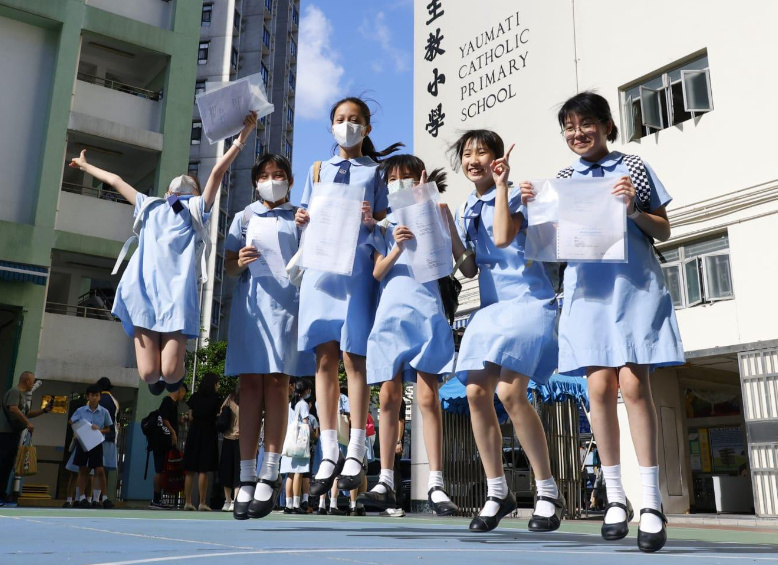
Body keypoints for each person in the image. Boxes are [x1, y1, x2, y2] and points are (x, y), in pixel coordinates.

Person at [521, 91, 684, 552]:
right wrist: (534, 209)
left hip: (632, 286)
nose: (578, 133)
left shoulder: (633, 166)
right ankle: (616, 498)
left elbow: (663, 228)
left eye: (587, 123)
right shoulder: (563, 179)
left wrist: (633, 210)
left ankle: (650, 502)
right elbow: (549, 248)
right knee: (597, 390)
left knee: (633, 386)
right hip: (587, 291)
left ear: (607, 124)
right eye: (570, 127)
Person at [68, 112, 258, 396]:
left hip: (177, 298)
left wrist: (242, 137)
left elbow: (218, 172)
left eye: (190, 185)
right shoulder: (150, 206)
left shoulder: (196, 211)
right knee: (147, 373)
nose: (182, 185)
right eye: (176, 186)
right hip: (143, 292)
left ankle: (174, 382)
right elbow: (116, 180)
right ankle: (159, 382)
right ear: (168, 190)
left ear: (195, 194)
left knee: (169, 372)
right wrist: (85, 166)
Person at [450, 130, 563, 533]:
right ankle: (498, 492)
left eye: (482, 151)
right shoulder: (465, 206)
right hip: (491, 308)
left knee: (510, 392)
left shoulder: (520, 196)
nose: (473, 159)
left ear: (499, 159)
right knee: (476, 392)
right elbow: (468, 269)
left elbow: (502, 236)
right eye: (467, 153)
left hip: (530, 299)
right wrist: (446, 226)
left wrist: (500, 187)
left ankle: (548, 490)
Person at [295, 97, 402, 500]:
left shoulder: (377, 173)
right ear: (331, 126)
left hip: (357, 269)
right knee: (323, 358)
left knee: (353, 356)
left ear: (367, 128)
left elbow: (388, 222)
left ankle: (356, 448)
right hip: (321, 270)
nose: (347, 126)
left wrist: (373, 221)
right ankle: (327, 450)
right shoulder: (316, 169)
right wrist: (300, 218)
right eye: (340, 120)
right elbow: (304, 215)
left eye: (354, 120)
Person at [359, 155, 467, 516]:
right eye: (393, 178)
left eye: (407, 177)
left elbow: (457, 262)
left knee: (427, 395)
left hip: (426, 308)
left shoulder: (437, 212)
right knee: (388, 396)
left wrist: (433, 212)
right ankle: (385, 478)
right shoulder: (382, 224)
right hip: (390, 312)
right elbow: (376, 272)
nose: (399, 183)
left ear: (420, 180)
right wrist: (397, 247)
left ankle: (436, 483)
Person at [224, 153, 315, 521]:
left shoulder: (299, 216)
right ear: (255, 181)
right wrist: (239, 262)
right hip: (251, 308)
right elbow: (229, 267)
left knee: (278, 384)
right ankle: (247, 474)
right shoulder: (243, 217)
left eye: (279, 175)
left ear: (290, 181)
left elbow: (314, 260)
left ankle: (270, 470)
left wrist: (308, 228)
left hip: (287, 308)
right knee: (248, 387)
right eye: (265, 175)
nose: (272, 180)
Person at [0, 372, 52, 506]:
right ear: (27, 381)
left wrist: (43, 410)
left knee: (8, 464)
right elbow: (13, 409)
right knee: (3, 463)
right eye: (33, 381)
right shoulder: (14, 392)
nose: (33, 384)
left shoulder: (22, 396)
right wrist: (27, 423)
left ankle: (2, 492)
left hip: (13, 433)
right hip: (5, 433)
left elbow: (27, 413)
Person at [69, 384, 113, 508]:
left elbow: (108, 429)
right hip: (83, 442)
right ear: (87, 396)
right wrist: (79, 429)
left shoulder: (104, 412)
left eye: (97, 395)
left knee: (99, 470)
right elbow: (72, 421)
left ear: (100, 397)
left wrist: (99, 429)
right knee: (83, 469)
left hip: (96, 443)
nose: (94, 398)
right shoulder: (81, 410)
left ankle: (103, 498)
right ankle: (81, 497)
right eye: (92, 395)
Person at [183, 372, 221, 511]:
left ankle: (187, 501)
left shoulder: (195, 397)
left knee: (190, 469)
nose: (218, 386)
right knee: (203, 470)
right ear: (213, 384)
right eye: (217, 383)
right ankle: (202, 502)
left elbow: (190, 416)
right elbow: (218, 416)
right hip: (209, 433)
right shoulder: (217, 399)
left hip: (194, 433)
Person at [150, 383, 188, 509]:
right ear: (180, 391)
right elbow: (164, 419)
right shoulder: (167, 402)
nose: (183, 396)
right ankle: (156, 499)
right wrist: (173, 433)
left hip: (165, 442)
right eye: (183, 393)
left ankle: (159, 498)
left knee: (164, 470)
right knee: (160, 470)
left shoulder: (173, 404)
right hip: (161, 442)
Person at [281, 380, 312, 514]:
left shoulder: (289, 404)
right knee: (299, 472)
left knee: (290, 474)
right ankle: (296, 503)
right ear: (306, 391)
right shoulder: (303, 404)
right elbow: (306, 423)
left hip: (289, 441)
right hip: (299, 442)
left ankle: (288, 504)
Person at [380, 396, 407, 518]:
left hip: (393, 442)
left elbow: (400, 421)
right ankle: (393, 505)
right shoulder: (393, 399)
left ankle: (396, 506)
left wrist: (397, 441)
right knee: (392, 471)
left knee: (394, 471)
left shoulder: (398, 400)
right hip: (389, 442)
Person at [96, 377, 118, 509]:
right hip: (110, 437)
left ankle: (91, 498)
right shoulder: (114, 401)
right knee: (102, 469)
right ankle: (100, 497)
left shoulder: (97, 400)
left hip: (95, 437)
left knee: (92, 470)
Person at [218, 384, 240, 512]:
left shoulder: (229, 398)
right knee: (238, 471)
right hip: (241, 439)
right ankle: (236, 500)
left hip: (227, 437)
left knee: (227, 470)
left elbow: (221, 412)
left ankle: (227, 500)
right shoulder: (248, 400)